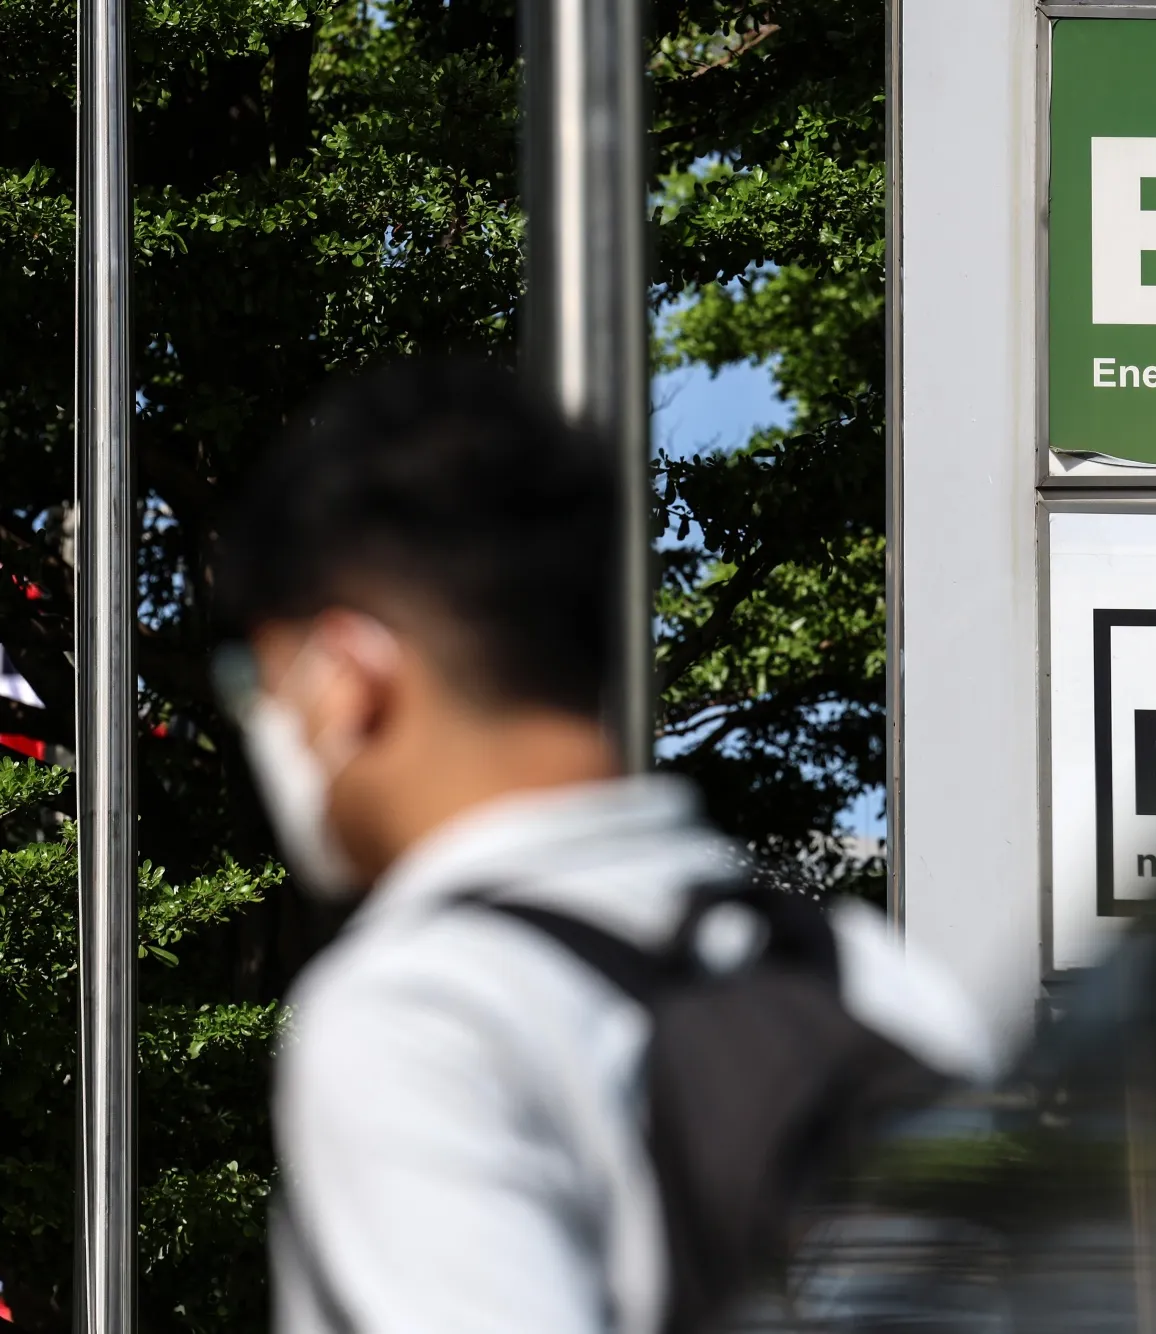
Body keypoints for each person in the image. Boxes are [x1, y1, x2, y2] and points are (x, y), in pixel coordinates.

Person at [212, 361, 996, 1334]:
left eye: (262, 678)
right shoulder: (861, 968)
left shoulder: (418, 1011)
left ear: (348, 676)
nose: (266, 720)